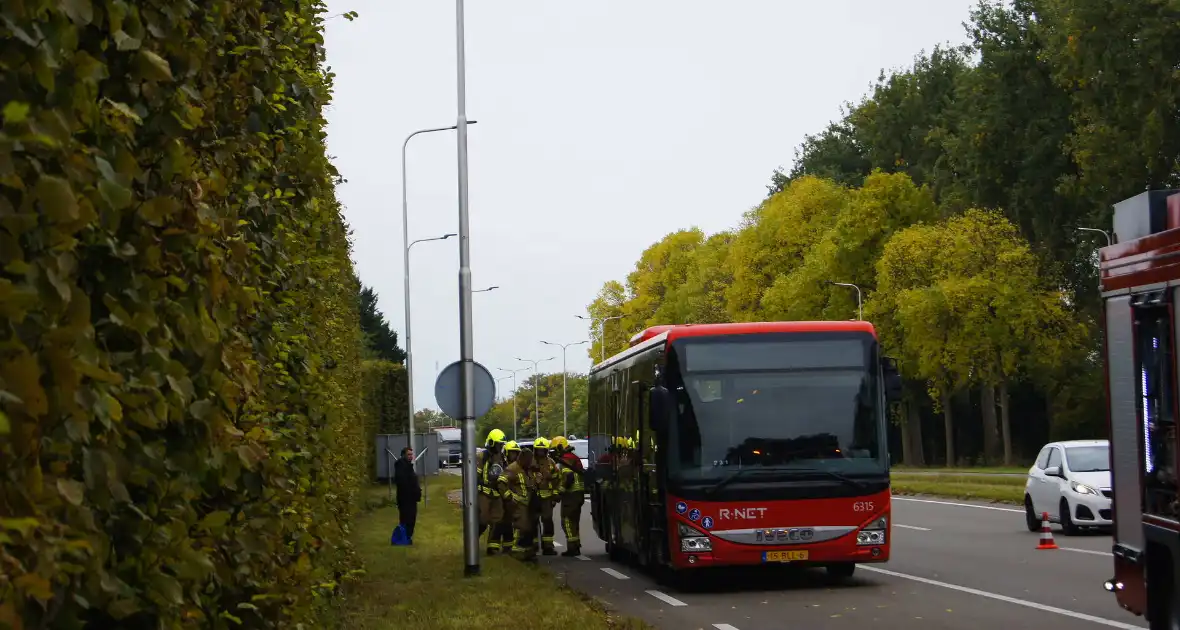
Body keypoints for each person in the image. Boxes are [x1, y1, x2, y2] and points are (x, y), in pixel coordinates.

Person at [501, 444, 537, 562]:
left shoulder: (527, 469)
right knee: (520, 526)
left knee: (528, 528)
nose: (529, 462)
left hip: (528, 504)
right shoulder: (512, 468)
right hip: (517, 503)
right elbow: (501, 483)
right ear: (522, 458)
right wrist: (509, 497)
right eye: (527, 460)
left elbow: (529, 484)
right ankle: (516, 552)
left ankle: (527, 551)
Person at [550, 436, 584, 557]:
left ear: (560, 447)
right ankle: (576, 545)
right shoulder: (573, 457)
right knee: (574, 521)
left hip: (571, 495)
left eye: (556, 449)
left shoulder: (566, 459)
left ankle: (572, 547)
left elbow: (568, 477)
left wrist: (559, 492)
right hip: (578, 494)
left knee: (567, 521)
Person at [476, 429, 507, 554]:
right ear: (492, 443)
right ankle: (472, 542)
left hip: (497, 494)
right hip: (484, 493)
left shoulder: (502, 457)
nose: (501, 447)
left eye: (502, 445)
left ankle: (492, 547)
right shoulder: (482, 456)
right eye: (499, 444)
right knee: (483, 520)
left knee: (497, 520)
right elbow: (476, 475)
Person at [493, 441, 521, 553]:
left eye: (516, 453)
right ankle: (494, 546)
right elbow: (500, 482)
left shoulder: (519, 467)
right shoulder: (503, 465)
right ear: (507, 453)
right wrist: (507, 497)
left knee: (513, 523)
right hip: (503, 499)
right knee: (501, 522)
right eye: (512, 453)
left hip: (515, 500)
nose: (514, 456)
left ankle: (509, 547)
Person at [531, 437, 558, 555]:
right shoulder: (530, 462)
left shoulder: (551, 462)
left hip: (547, 498)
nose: (541, 452)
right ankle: (533, 545)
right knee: (533, 521)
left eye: (543, 450)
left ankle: (548, 546)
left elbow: (557, 478)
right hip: (533, 497)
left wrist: (555, 495)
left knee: (547, 521)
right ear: (535, 450)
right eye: (539, 450)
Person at [393, 446, 421, 543]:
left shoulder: (408, 465)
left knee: (411, 518)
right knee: (406, 519)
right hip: (405, 498)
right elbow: (402, 482)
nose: (411, 456)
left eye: (411, 454)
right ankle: (404, 538)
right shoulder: (400, 465)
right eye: (408, 454)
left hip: (411, 498)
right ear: (403, 455)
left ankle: (407, 537)